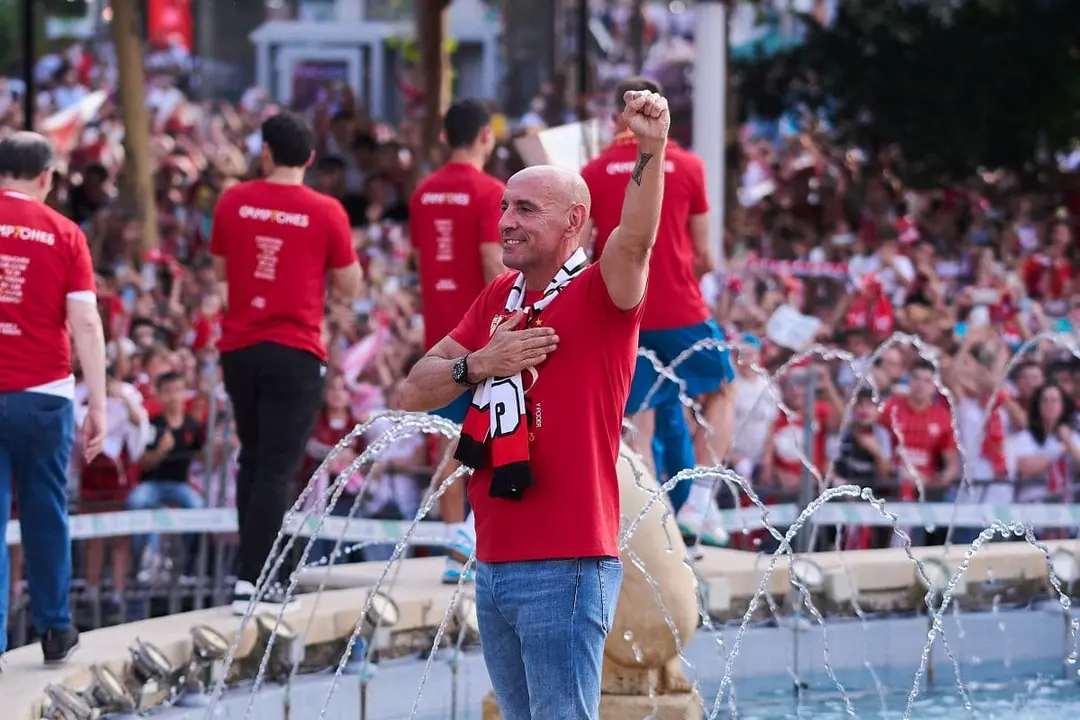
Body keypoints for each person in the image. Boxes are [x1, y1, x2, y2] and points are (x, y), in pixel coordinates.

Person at [400, 89, 670, 720]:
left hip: (566, 560)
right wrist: (479, 363)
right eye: (504, 207)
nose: (505, 222)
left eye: (524, 208)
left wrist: (650, 150)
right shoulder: (499, 296)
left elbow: (636, 239)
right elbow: (414, 388)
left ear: (573, 221)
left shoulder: (602, 291)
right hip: (493, 557)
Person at [210, 111, 363, 614]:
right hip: (294, 350)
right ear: (311, 157)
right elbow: (349, 285)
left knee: (253, 461)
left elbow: (221, 270)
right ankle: (260, 583)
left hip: (239, 348)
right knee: (276, 469)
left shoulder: (233, 200)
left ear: (265, 153)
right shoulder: (326, 211)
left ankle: (249, 578)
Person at [581, 76, 735, 547]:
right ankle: (699, 504)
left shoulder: (592, 170)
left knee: (638, 416)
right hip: (680, 308)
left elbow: (581, 251)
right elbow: (705, 255)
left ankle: (646, 530)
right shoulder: (688, 165)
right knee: (723, 389)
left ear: (616, 116)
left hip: (621, 309)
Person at [0, 131, 107, 663]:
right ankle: (55, 628)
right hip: (44, 394)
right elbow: (85, 322)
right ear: (47, 176)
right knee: (46, 511)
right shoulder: (65, 233)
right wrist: (99, 405)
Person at [408, 98, 505, 584]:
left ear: (445, 137)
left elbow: (422, 259)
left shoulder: (423, 192)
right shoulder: (491, 192)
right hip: (481, 332)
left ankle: (455, 545)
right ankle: (473, 539)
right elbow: (493, 261)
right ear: (486, 135)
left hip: (438, 335)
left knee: (450, 436)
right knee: (491, 433)